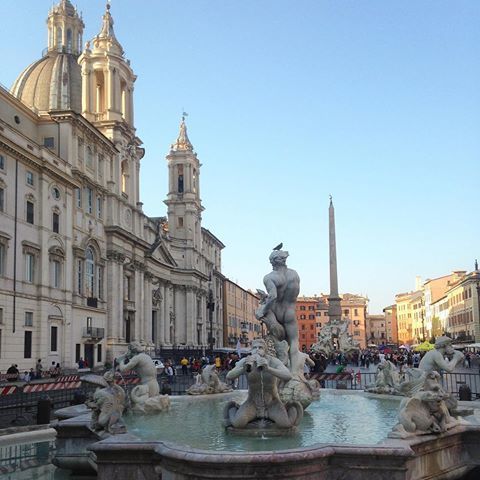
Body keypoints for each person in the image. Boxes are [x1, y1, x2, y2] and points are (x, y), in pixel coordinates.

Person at [226, 338, 300, 428]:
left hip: (272, 403)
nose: (257, 350)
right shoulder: (246, 361)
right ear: (251, 349)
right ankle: (233, 409)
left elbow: (288, 376)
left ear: (265, 350)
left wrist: (269, 369)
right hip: (252, 402)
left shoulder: (273, 361)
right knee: (238, 423)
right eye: (254, 347)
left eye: (260, 347)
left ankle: (290, 408)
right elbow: (229, 376)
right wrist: (243, 369)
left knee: (285, 424)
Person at [255, 248, 301, 367]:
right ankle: (295, 373)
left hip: (276, 312)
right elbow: (293, 294)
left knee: (277, 342)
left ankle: (279, 371)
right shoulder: (294, 274)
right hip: (290, 311)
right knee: (294, 342)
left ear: (272, 262)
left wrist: (263, 310)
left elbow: (273, 296)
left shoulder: (270, 277)